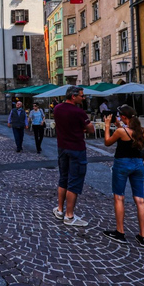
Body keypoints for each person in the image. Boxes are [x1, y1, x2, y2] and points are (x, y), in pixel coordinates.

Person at [103, 105, 144, 247]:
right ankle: (142, 236)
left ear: (123, 117)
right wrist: (119, 124)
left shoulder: (120, 131)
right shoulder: (143, 131)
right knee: (140, 200)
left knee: (119, 197)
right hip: (138, 165)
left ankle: (120, 232)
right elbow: (133, 137)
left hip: (122, 164)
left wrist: (106, 126)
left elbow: (107, 142)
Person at [53, 85, 94, 227]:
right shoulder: (79, 112)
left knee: (63, 178)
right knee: (74, 181)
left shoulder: (57, 108)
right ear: (73, 96)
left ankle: (59, 209)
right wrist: (81, 128)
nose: (83, 98)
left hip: (62, 147)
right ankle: (69, 216)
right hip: (76, 148)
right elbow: (91, 130)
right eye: (82, 96)